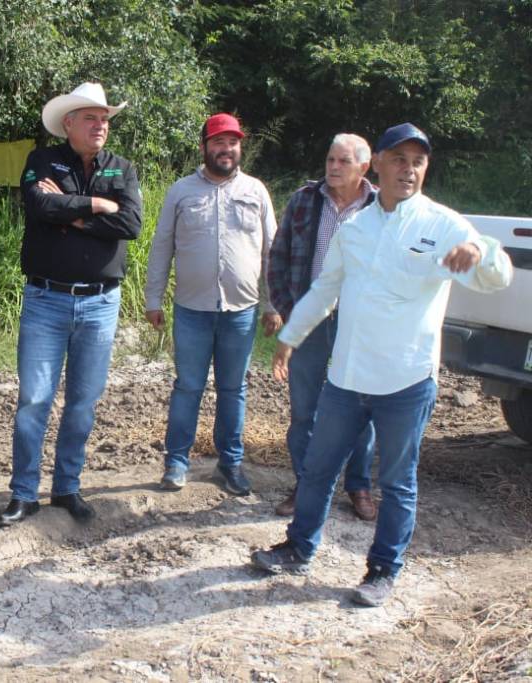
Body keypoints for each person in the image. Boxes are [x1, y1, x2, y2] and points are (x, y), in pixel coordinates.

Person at [251, 123, 513, 606]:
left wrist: (482, 250)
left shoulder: (443, 224)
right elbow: (326, 290)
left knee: (396, 481)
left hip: (406, 379)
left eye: (418, 161)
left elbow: (497, 275)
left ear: (425, 169)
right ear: (379, 166)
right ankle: (297, 547)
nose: (408, 169)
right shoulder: (356, 227)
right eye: (399, 159)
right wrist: (290, 337)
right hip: (347, 377)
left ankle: (382, 571)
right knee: (317, 468)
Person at [0, 82, 142, 527]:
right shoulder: (41, 161)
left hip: (100, 304)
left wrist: (73, 212)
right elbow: (39, 204)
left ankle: (67, 488)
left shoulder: (123, 168)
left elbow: (131, 223)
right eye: (91, 118)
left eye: (104, 119)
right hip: (46, 300)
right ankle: (24, 493)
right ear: (68, 124)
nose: (100, 125)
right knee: (34, 400)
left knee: (83, 403)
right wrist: (97, 205)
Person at [144, 113, 280, 497]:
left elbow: (273, 252)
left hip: (241, 312)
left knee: (233, 389)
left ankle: (230, 463)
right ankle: (176, 462)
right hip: (191, 311)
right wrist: (153, 299)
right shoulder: (181, 191)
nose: (226, 149)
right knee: (188, 387)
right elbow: (161, 247)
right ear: (204, 146)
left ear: (240, 147)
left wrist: (273, 304)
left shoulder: (256, 191)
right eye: (218, 142)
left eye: (233, 142)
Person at [267, 134, 378, 520]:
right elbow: (278, 256)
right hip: (310, 320)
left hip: (361, 325)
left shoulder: (381, 207)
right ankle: (306, 485)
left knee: (363, 408)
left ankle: (358, 486)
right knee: (304, 410)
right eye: (330, 159)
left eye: (343, 161)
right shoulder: (304, 200)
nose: (333, 167)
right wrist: (288, 308)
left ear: (363, 168)